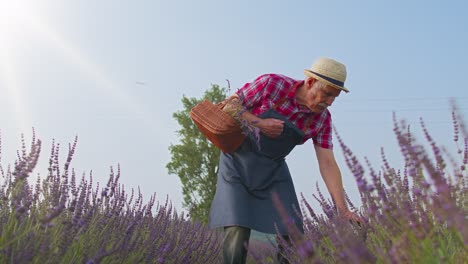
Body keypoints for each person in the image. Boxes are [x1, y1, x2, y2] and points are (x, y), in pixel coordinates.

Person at [208, 57, 362, 264]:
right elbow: (228, 105)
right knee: (238, 226)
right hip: (238, 160)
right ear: (310, 82)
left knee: (294, 231)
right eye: (327, 94)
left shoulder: (322, 119)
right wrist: (259, 123)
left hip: (273, 168)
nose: (329, 102)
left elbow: (327, 163)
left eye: (334, 98)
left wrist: (342, 209)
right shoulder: (272, 84)